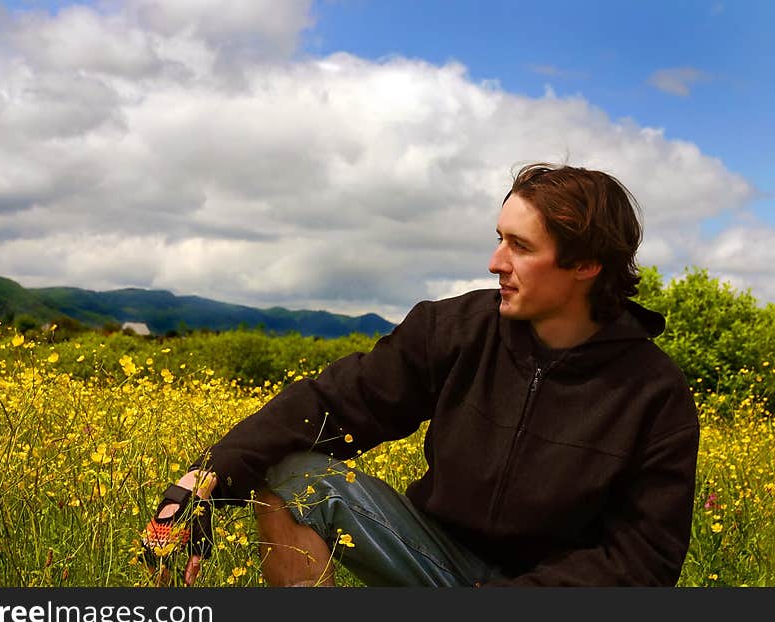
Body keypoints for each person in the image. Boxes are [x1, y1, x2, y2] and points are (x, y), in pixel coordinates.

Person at [142, 162, 701, 587]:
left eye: (520, 247)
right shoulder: (456, 328)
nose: (495, 261)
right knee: (294, 472)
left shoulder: (653, 393)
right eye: (499, 237)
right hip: (436, 563)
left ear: (585, 265)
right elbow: (332, 404)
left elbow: (642, 561)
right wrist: (203, 483)